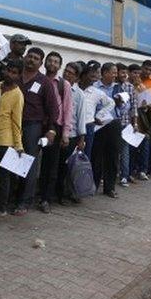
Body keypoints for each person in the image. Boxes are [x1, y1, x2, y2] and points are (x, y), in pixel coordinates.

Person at [14, 47, 60, 213]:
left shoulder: (44, 82)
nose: (31, 60)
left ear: (41, 63)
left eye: (36, 58)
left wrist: (51, 129)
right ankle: (12, 197)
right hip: (12, 125)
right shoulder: (16, 76)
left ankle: (25, 201)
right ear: (25, 57)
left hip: (32, 126)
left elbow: (53, 109)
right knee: (11, 161)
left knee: (28, 163)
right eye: (30, 56)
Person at [0, 58, 25, 217]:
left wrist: (18, 146)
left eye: (14, 72)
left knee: (4, 176)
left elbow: (17, 122)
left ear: (19, 75)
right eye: (8, 70)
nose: (9, 74)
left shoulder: (17, 95)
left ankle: (1, 208)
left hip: (6, 140)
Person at [38, 51, 73, 212]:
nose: (52, 64)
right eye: (50, 61)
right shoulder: (38, 79)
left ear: (59, 66)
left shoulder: (63, 85)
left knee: (50, 165)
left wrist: (65, 133)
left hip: (55, 128)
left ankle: (45, 198)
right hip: (37, 125)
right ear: (45, 63)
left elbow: (67, 110)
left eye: (56, 62)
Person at [92, 63, 123, 197]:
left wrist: (120, 104)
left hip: (113, 124)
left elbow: (124, 108)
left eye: (116, 73)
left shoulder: (118, 88)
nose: (115, 75)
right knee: (96, 155)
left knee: (113, 156)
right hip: (98, 124)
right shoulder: (94, 87)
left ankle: (109, 187)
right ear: (104, 73)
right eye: (112, 72)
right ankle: (93, 185)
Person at [58, 61, 87, 203]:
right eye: (66, 71)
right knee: (55, 165)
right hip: (57, 131)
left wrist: (81, 139)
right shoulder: (57, 86)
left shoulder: (79, 94)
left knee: (66, 166)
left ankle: (64, 193)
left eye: (71, 73)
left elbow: (81, 117)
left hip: (72, 135)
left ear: (76, 78)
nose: (67, 74)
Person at [112, 63, 136, 187]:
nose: (123, 75)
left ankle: (124, 176)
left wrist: (135, 122)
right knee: (112, 150)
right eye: (121, 72)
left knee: (125, 150)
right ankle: (112, 174)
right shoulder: (113, 86)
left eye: (125, 73)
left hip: (125, 123)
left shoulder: (130, 87)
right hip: (112, 122)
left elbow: (134, 106)